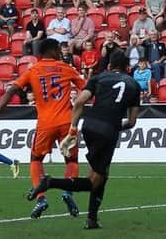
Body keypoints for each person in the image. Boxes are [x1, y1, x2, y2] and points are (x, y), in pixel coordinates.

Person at [26, 50, 140, 229]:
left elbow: (79, 102)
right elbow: (132, 122)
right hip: (108, 130)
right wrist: (115, 125)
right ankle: (51, 183)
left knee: (99, 175)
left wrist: (73, 130)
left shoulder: (99, 78)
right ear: (127, 68)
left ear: (109, 66)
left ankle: (92, 220)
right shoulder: (134, 84)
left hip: (88, 125)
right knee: (96, 180)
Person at [0, 38, 87, 219]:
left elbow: (10, 91)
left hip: (45, 123)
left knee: (36, 159)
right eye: (58, 49)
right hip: (66, 121)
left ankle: (41, 198)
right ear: (53, 50)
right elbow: (86, 90)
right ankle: (67, 193)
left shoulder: (32, 70)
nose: (61, 52)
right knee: (71, 161)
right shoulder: (66, 68)